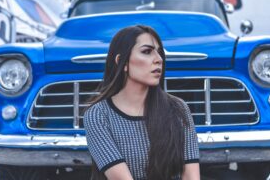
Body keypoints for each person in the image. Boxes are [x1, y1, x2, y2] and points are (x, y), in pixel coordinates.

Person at [84, 25, 200, 180]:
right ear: (122, 62)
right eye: (147, 51)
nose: (158, 59)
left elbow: (191, 176)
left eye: (159, 52)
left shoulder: (178, 108)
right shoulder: (98, 115)